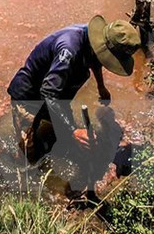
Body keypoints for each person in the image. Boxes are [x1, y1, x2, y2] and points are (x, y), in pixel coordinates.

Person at [7, 15, 140, 203]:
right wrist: (74, 130)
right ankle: (23, 176)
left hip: (57, 96)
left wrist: (101, 86)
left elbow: (95, 60)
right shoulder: (69, 50)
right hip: (30, 98)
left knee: (60, 142)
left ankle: (54, 158)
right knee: (30, 154)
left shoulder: (94, 40)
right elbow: (48, 92)